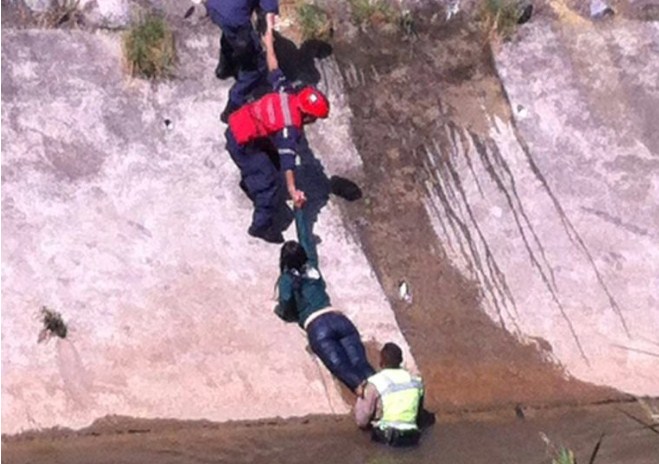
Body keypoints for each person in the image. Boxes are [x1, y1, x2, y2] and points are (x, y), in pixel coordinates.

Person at [225, 18, 330, 243]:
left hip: (241, 124)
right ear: (308, 115)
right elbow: (288, 161)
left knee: (269, 161)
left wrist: (269, 41)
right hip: (242, 142)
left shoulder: (286, 92)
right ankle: (260, 227)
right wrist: (292, 190)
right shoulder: (289, 127)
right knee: (269, 186)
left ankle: (251, 179)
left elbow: (273, 65)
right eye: (315, 118)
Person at [274, 206, 375, 394]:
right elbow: (305, 236)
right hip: (339, 319)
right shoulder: (312, 265)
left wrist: (280, 311)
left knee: (344, 370)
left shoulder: (286, 279)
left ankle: (368, 404)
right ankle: (386, 394)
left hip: (317, 327)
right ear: (303, 255)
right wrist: (299, 208)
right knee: (361, 363)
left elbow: (286, 304)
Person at [203, 0, 279, 122]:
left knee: (231, 35)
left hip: (214, 7)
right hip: (234, 17)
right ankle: (232, 109)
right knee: (255, 66)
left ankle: (224, 69)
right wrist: (269, 50)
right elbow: (268, 22)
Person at [354, 342, 425, 447]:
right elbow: (418, 416)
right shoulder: (416, 382)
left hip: (386, 437)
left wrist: (360, 396)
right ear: (401, 360)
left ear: (381, 362)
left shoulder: (375, 382)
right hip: (412, 438)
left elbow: (361, 421)